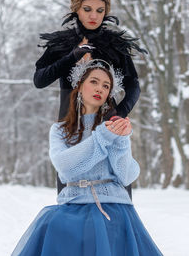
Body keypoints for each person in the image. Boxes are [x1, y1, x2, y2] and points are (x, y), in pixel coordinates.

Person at [11, 60, 162, 256]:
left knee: (106, 227)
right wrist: (103, 136)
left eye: (106, 86)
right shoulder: (59, 130)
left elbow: (126, 175)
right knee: (53, 225)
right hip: (73, 206)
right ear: (80, 85)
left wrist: (122, 140)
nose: (100, 88)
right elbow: (65, 168)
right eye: (94, 82)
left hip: (113, 209)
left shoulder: (114, 126)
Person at [34, 0, 147, 196]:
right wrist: (71, 56)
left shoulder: (115, 44)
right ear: (76, 9)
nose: (93, 16)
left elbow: (134, 84)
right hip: (70, 120)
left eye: (99, 10)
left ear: (106, 12)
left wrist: (119, 113)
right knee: (71, 190)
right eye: (87, 9)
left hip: (108, 119)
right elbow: (39, 80)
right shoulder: (61, 44)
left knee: (116, 185)